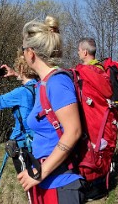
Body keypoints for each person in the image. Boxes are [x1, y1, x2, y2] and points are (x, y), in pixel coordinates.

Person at [15, 16, 84, 204]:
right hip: (47, 183)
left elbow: (73, 131)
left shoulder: (57, 82)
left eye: (23, 49)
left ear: (31, 53)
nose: (22, 55)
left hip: (62, 184)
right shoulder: (43, 84)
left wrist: (40, 173)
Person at [0, 54, 38, 173]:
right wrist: (16, 73)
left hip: (23, 145)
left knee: (29, 183)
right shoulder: (41, 86)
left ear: (21, 68)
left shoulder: (20, 93)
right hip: (39, 141)